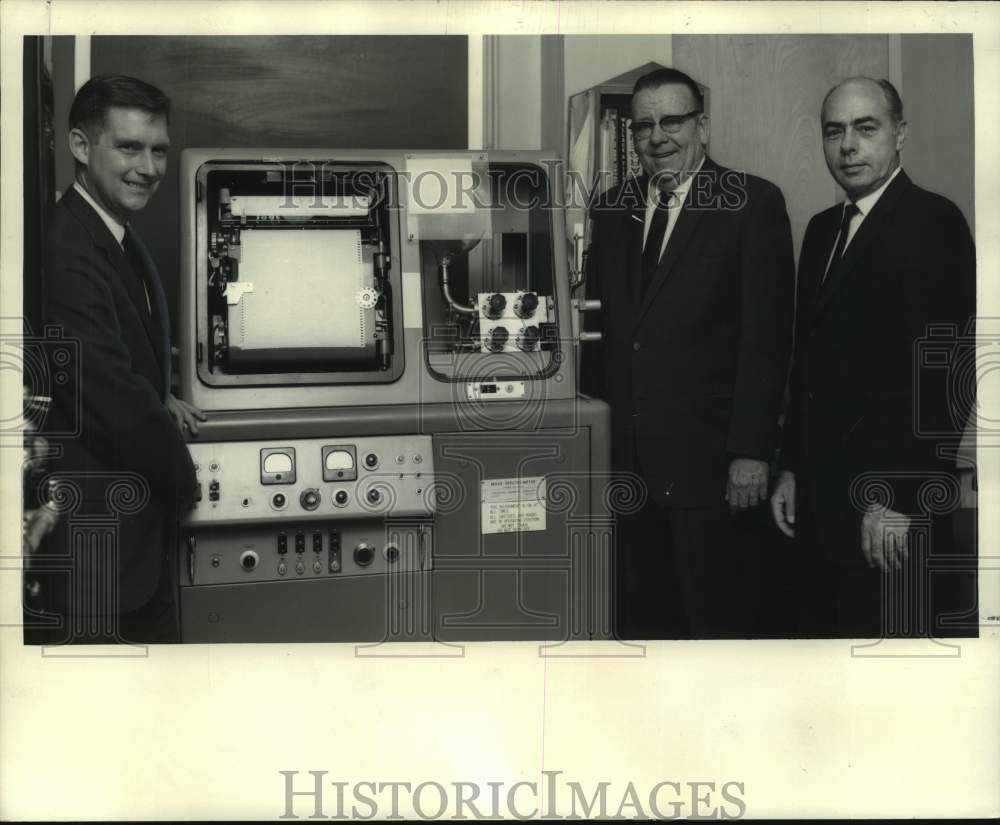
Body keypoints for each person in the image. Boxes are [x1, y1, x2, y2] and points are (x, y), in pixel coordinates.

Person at [583, 68, 795, 638]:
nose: (657, 137)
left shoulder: (752, 203)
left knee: (714, 627)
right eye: (643, 125)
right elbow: (605, 335)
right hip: (626, 470)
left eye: (671, 121)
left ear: (701, 125)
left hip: (713, 470)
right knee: (641, 628)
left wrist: (751, 451)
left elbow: (768, 340)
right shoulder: (611, 208)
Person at [771, 77, 976, 638]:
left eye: (866, 128)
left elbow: (948, 375)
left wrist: (901, 499)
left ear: (899, 134)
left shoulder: (934, 222)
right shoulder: (820, 232)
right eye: (834, 131)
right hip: (821, 508)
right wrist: (790, 467)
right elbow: (806, 365)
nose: (848, 146)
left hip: (889, 514)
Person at [31, 75, 205, 644]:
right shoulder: (67, 251)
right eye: (129, 147)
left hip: (126, 552)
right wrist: (186, 483)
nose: (149, 168)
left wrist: (162, 393)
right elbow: (112, 399)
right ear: (81, 147)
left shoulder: (107, 234)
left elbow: (119, 357)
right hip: (96, 560)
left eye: (158, 150)